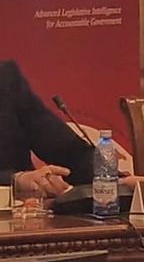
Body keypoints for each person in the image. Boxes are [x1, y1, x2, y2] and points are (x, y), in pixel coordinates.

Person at [0, 60, 94, 200]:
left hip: (25, 209)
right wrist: (15, 181)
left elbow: (69, 150)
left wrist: (112, 179)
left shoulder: (5, 80)